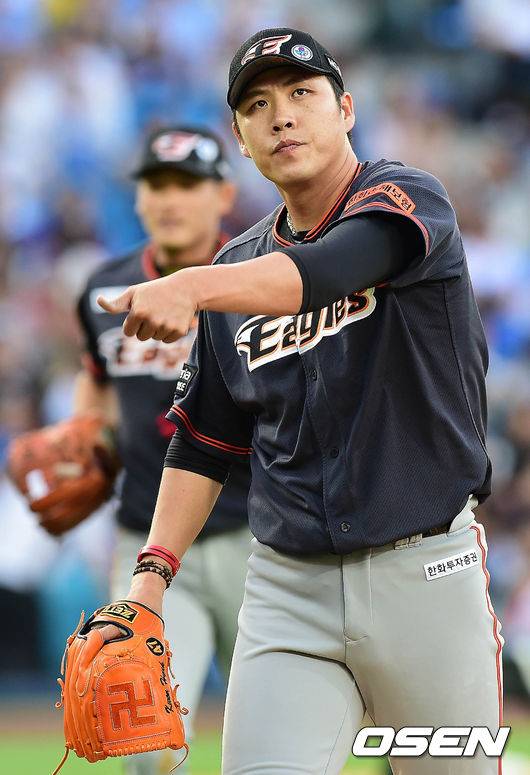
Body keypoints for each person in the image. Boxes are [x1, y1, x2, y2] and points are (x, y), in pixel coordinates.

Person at [98, 29, 503, 775]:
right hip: (288, 590)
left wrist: (190, 285)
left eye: (301, 93)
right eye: (257, 104)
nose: (281, 115)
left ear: (345, 109)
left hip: (424, 573)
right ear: (241, 139)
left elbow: (322, 271)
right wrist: (148, 581)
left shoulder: (406, 199)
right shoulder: (236, 267)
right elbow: (206, 439)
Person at [75, 125, 251, 775]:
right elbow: (96, 379)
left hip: (259, 538)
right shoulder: (106, 289)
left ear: (223, 195)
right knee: (146, 744)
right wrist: (85, 435)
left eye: (187, 184)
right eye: (157, 184)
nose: (169, 199)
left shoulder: (258, 280)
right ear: (138, 198)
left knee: (278, 744)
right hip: (147, 542)